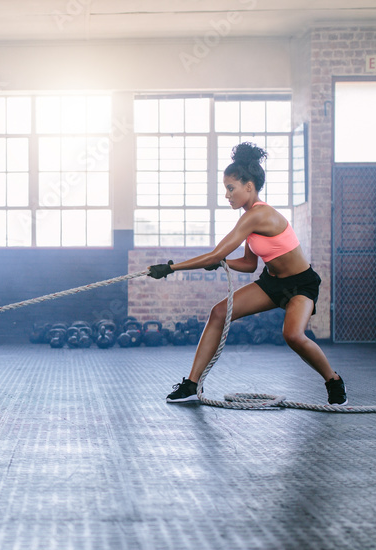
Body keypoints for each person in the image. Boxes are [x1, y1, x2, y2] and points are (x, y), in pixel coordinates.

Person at [147, 142, 346, 405]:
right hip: (271, 282)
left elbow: (215, 254)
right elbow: (250, 264)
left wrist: (170, 268)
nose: (227, 195)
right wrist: (222, 263)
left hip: (300, 284)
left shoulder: (258, 215)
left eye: (231, 188)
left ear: (248, 186)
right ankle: (192, 384)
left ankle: (333, 381)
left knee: (293, 336)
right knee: (218, 313)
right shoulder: (249, 218)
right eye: (226, 189)